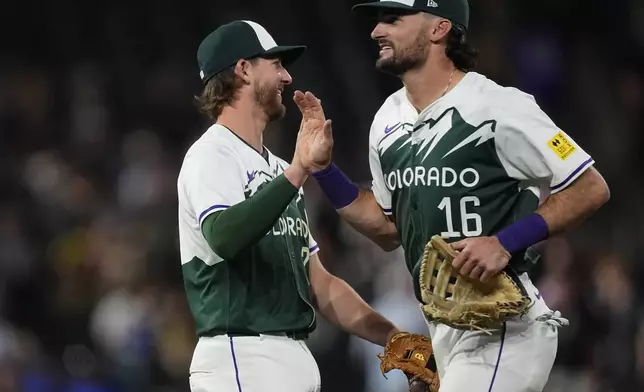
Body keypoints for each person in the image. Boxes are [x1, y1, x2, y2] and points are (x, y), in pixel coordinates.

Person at [305, 1, 611, 391]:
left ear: (439, 29)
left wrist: (505, 242)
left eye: (393, 19)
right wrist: (325, 172)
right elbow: (386, 229)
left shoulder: (502, 106)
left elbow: (591, 186)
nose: (376, 31)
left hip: (504, 328)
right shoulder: (386, 120)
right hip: (442, 330)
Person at [177, 20, 400, 392]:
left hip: (290, 356)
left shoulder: (279, 169)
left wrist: (394, 338)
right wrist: (299, 171)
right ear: (243, 69)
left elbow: (321, 284)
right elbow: (225, 237)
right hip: (242, 356)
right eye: (276, 64)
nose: (286, 78)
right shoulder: (210, 154)